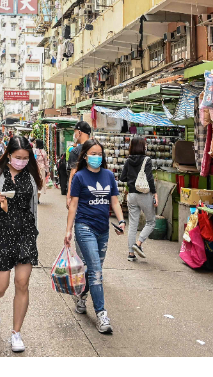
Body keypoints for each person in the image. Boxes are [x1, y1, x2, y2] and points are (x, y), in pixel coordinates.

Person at [0, 136, 42, 353]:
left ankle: (16, 333)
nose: (22, 162)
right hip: (1, 233)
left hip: (25, 233)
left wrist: (35, 232)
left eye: (26, 158)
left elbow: (33, 207)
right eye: (18, 157)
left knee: (22, 283)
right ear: (9, 155)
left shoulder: (31, 177)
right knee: (0, 286)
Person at [64, 139, 125, 335]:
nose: (97, 157)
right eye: (93, 153)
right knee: (97, 271)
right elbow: (73, 205)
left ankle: (81, 296)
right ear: (85, 156)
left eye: (100, 154)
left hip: (103, 229)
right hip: (84, 227)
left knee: (93, 269)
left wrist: (122, 221)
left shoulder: (108, 175)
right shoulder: (79, 177)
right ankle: (102, 315)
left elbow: (114, 202)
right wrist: (68, 229)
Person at [119, 136, 157, 262]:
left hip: (132, 195)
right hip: (144, 194)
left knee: (133, 224)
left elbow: (122, 178)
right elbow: (150, 178)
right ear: (142, 146)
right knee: (151, 222)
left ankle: (131, 253)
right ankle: (138, 243)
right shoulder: (147, 160)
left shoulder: (128, 160)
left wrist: (132, 179)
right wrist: (155, 193)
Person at [61, 121, 92, 198]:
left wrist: (69, 196)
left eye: (75, 133)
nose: (74, 136)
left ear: (79, 132)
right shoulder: (97, 149)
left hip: (80, 191)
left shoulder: (76, 151)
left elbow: (73, 174)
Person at [33, 139, 50, 204]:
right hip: (42, 169)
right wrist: (48, 171)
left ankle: (34, 198)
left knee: (34, 183)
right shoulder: (44, 152)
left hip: (35, 169)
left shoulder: (34, 151)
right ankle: (37, 199)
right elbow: (46, 162)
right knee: (40, 184)